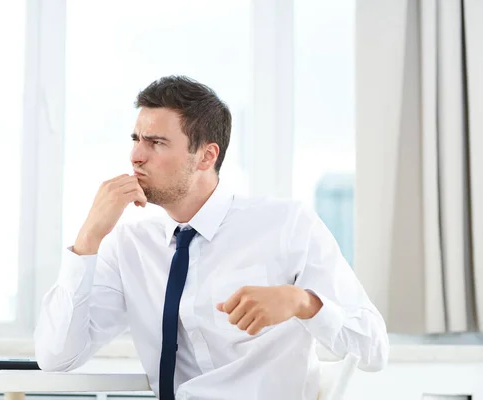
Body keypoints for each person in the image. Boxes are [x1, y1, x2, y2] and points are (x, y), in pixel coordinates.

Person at [34, 75, 389, 400]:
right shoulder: (128, 245)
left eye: (156, 143)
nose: (136, 156)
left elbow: (373, 348)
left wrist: (303, 303)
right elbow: (56, 356)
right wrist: (88, 238)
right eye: (136, 139)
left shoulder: (286, 226)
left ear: (206, 156)